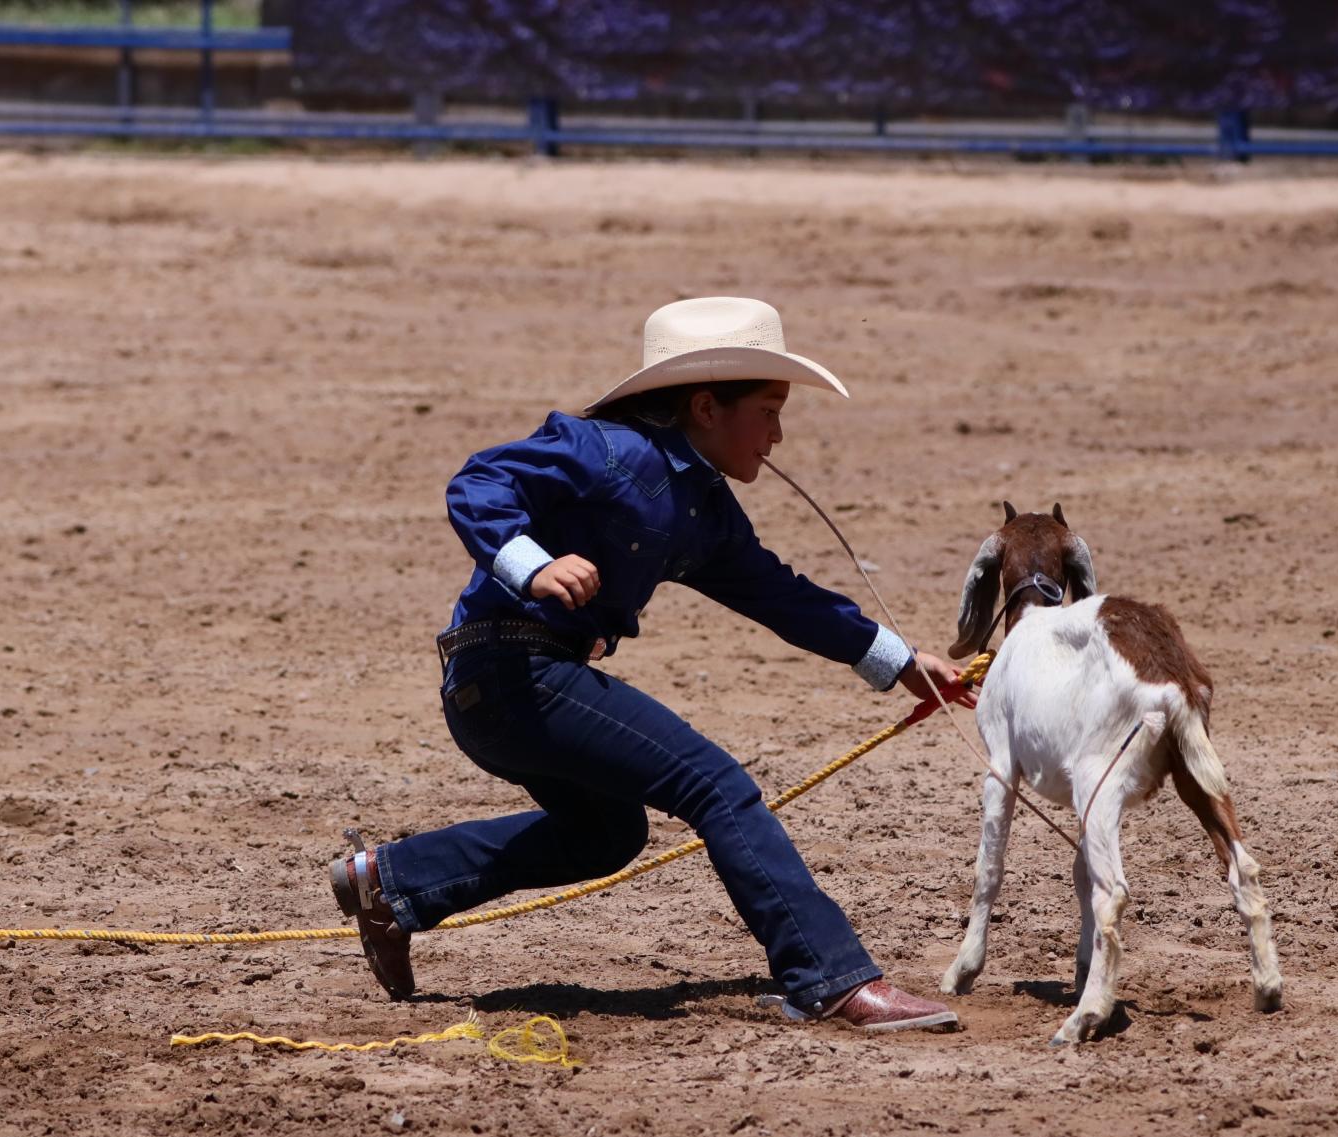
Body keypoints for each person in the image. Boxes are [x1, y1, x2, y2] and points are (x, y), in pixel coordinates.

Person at [328, 297, 973, 1033]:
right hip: (510, 671)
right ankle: (829, 980)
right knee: (715, 785)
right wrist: (531, 565)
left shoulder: (706, 509)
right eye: (767, 410)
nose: (778, 433)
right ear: (705, 405)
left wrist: (897, 662)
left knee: (608, 834)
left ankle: (394, 879)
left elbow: (781, 595)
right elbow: (476, 482)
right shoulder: (609, 452)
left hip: (509, 686)